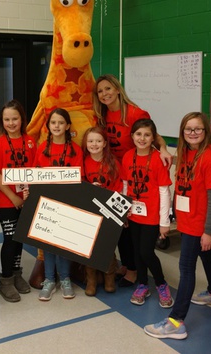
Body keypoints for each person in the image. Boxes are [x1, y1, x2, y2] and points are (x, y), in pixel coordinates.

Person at [144, 112, 211, 340]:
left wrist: (208, 231)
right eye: (188, 129)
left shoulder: (209, 158)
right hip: (186, 218)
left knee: (186, 268)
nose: (193, 133)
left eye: (198, 129)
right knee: (205, 255)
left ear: (206, 131)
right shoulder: (187, 153)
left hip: (198, 223)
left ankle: (176, 321)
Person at [93, 74, 172, 288]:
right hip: (113, 174)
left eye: (108, 89)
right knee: (119, 222)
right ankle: (128, 265)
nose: (104, 94)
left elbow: (153, 135)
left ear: (118, 89)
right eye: (100, 91)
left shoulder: (136, 113)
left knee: (128, 226)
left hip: (134, 173)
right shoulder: (102, 114)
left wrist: (163, 149)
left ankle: (134, 270)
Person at [120, 119, 173, 308]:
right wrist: (123, 211)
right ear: (132, 136)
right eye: (138, 134)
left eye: (147, 135)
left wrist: (164, 221)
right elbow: (125, 185)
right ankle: (142, 284)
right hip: (133, 213)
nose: (142, 138)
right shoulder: (127, 156)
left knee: (146, 251)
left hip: (152, 216)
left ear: (153, 138)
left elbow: (164, 191)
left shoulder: (159, 158)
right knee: (137, 251)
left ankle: (161, 283)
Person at [0, 99, 36, 303]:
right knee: (10, 239)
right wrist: (14, 197)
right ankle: (5, 280)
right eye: (7, 119)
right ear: (2, 121)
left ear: (22, 119)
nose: (11, 123)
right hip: (7, 200)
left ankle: (17, 274)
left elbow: (35, 171)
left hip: (26, 199)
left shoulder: (31, 141)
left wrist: (27, 196)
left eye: (15, 118)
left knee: (20, 239)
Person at [33, 108, 83, 301]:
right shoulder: (42, 149)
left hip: (68, 203)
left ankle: (65, 279)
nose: (57, 126)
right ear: (48, 126)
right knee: (48, 244)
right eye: (53, 123)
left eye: (61, 123)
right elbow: (36, 175)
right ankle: (49, 280)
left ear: (68, 126)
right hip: (47, 204)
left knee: (64, 244)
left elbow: (79, 178)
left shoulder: (75, 151)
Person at [81, 126, 122, 296]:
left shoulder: (113, 162)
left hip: (109, 211)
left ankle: (109, 277)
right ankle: (91, 278)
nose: (94, 144)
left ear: (105, 143)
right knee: (90, 245)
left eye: (98, 141)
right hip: (90, 210)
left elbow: (120, 187)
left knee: (107, 246)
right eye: (90, 141)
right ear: (86, 143)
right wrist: (90, 188)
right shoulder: (83, 162)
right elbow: (80, 183)